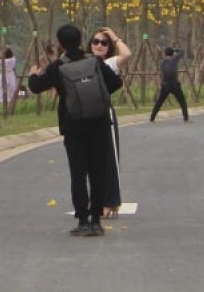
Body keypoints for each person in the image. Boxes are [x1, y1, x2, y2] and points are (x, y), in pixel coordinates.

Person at [28, 24, 122, 238]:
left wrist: (33, 74)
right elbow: (116, 83)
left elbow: (35, 87)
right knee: (98, 173)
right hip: (99, 124)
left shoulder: (58, 66)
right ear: (82, 41)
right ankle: (96, 222)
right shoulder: (95, 61)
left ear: (60, 43)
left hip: (73, 127)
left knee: (78, 174)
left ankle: (82, 221)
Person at [89, 28, 131, 218]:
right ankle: (98, 200)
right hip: (87, 117)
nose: (99, 45)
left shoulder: (110, 63)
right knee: (92, 162)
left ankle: (111, 201)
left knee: (109, 160)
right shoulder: (84, 63)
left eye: (104, 43)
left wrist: (114, 36)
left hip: (105, 116)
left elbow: (127, 54)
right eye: (96, 41)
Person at [149, 46, 189, 123]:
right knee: (182, 101)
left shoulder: (162, 61)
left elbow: (159, 63)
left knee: (159, 102)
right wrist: (175, 49)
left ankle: (152, 117)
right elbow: (182, 51)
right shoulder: (175, 59)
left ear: (165, 53)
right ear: (173, 53)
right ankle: (186, 118)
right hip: (175, 84)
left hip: (165, 84)